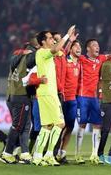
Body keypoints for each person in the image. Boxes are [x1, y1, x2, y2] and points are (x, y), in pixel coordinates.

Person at [32, 25, 75, 166]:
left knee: (48, 126)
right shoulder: (42, 52)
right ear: (43, 42)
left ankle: (39, 156)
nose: (52, 40)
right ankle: (47, 155)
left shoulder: (46, 53)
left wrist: (68, 42)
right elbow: (57, 49)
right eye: (50, 38)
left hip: (47, 93)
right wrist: (67, 35)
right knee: (60, 123)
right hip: (48, 94)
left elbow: (61, 52)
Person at [0, 43, 36, 164]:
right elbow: (29, 79)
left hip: (11, 95)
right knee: (18, 126)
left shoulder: (15, 59)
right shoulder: (27, 61)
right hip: (21, 96)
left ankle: (24, 153)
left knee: (25, 126)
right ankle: (7, 153)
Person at [75, 39, 109, 164]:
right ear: (88, 49)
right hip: (82, 96)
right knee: (82, 124)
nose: (97, 47)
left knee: (97, 125)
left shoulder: (101, 59)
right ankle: (77, 154)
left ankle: (94, 155)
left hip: (94, 98)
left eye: (98, 45)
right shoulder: (82, 59)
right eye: (94, 45)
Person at [56, 40, 81, 164]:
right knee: (59, 126)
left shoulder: (81, 62)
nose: (78, 48)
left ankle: (62, 153)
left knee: (70, 127)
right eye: (75, 46)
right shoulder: (65, 61)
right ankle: (53, 152)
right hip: (63, 99)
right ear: (70, 49)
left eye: (79, 46)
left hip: (73, 100)